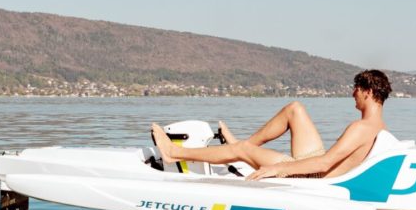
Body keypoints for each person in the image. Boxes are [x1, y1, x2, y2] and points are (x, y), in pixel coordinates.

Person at [151, 70, 391, 180]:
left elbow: (326, 163)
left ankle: (174, 153)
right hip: (319, 167)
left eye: (357, 90)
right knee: (294, 109)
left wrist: (280, 169)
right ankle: (245, 148)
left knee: (242, 150)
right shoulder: (380, 129)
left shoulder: (360, 128)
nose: (353, 94)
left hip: (314, 176)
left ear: (368, 92)